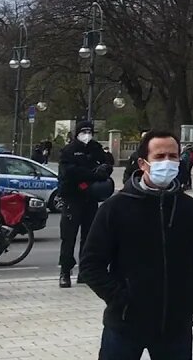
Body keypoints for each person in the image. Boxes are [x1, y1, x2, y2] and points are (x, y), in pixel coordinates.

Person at [80, 130, 193, 360]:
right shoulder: (115, 208)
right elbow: (91, 264)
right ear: (143, 163)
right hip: (124, 325)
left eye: (173, 156)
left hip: (175, 327)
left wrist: (192, 298)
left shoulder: (189, 209)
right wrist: (121, 300)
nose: (168, 162)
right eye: (160, 156)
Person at [58, 119, 113, 289]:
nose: (87, 135)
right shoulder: (69, 150)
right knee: (68, 237)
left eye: (89, 132)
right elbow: (69, 172)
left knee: (89, 237)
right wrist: (92, 174)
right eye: (84, 131)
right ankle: (65, 272)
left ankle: (85, 271)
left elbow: (106, 165)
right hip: (72, 198)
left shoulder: (95, 148)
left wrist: (103, 170)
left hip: (90, 198)